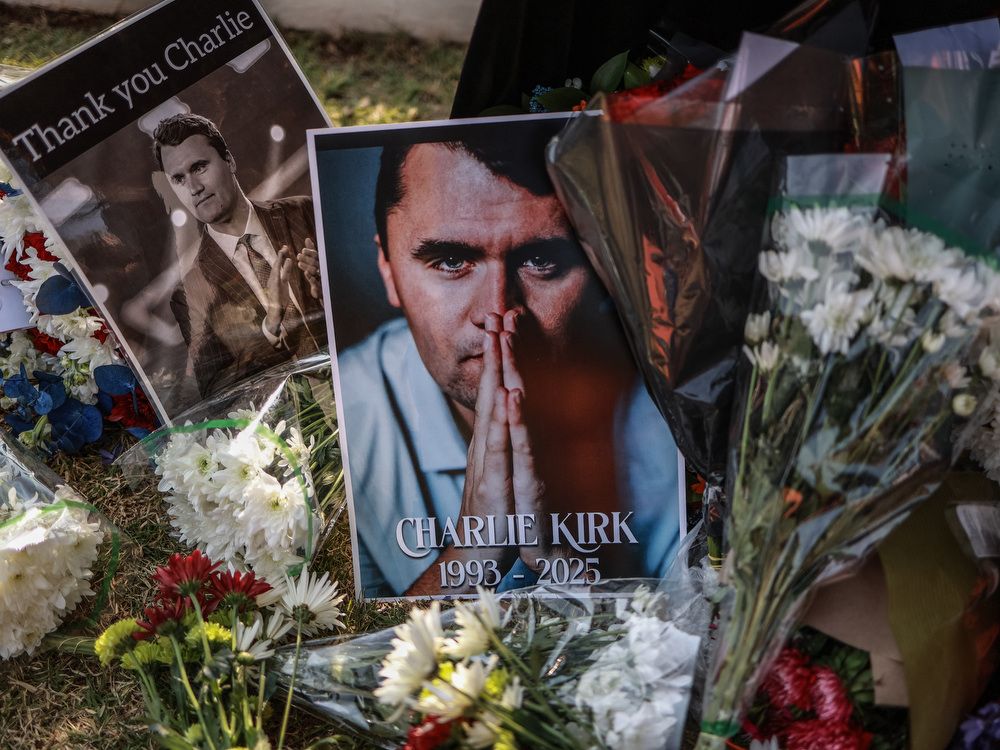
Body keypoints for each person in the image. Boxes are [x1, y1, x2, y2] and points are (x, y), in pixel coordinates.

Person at [336, 133, 681, 598]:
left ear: (602, 265)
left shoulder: (674, 406)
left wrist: (559, 564)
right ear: (387, 267)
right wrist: (472, 555)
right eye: (452, 260)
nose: (497, 311)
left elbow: (706, 644)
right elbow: (335, 660)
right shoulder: (338, 424)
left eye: (542, 260)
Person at [153, 114, 325, 397]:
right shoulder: (190, 293)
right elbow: (218, 392)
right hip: (304, 429)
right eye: (179, 179)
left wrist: (332, 284)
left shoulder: (304, 212)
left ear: (229, 161)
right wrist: (270, 327)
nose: (193, 188)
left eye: (199, 167)